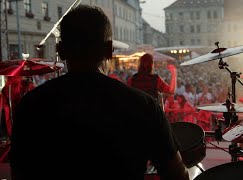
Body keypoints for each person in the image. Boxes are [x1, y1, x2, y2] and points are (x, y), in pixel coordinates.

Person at [9, 5, 189, 180]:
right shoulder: (145, 106)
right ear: (109, 50)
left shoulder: (30, 105)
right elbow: (178, 175)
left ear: (61, 50)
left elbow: (19, 173)